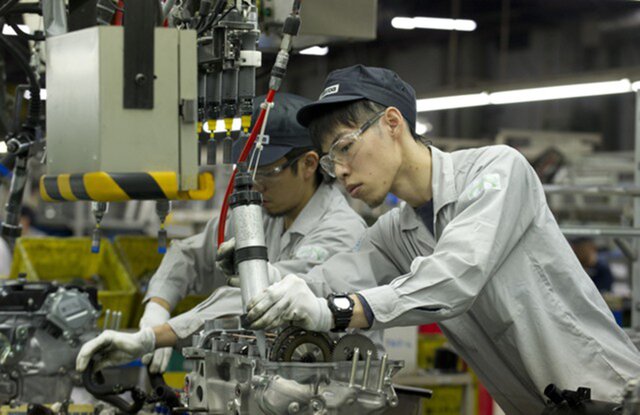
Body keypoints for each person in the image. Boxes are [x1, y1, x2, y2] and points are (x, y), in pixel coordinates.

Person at [242, 65, 640, 412]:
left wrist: (338, 310)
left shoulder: (497, 171)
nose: (341, 170)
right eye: (331, 161)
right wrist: (258, 275)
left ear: (392, 123)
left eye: (346, 147)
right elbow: (324, 281)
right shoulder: (394, 233)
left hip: (611, 396)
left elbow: (453, 278)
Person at [75, 93, 379, 374]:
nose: (256, 184)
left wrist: (155, 337)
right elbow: (189, 255)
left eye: (267, 172)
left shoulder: (342, 232)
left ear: (309, 164)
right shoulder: (260, 214)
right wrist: (156, 308)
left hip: (337, 385)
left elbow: (260, 299)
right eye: (249, 171)